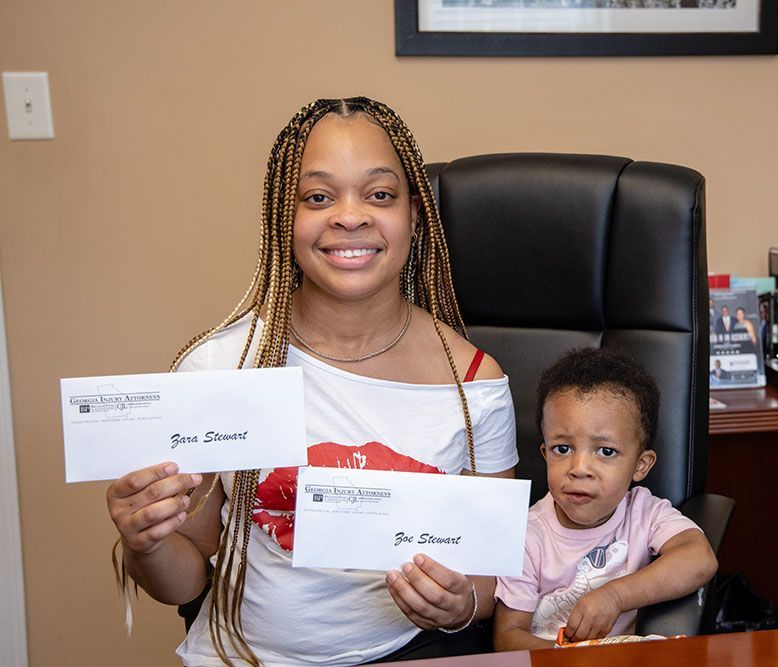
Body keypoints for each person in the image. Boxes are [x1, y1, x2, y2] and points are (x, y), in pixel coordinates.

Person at [105, 98, 518, 666]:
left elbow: (491, 581)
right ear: (284, 218)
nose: (350, 217)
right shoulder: (218, 368)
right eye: (318, 197)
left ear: (415, 215)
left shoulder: (474, 384)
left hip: (408, 651)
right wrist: (143, 543)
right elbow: (185, 581)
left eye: (379, 194)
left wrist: (461, 603)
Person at [492, 348, 717, 650]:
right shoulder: (526, 535)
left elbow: (699, 559)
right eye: (562, 449)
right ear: (545, 454)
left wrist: (615, 596)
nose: (579, 469)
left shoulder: (643, 512)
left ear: (641, 465)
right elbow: (507, 638)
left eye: (606, 452)